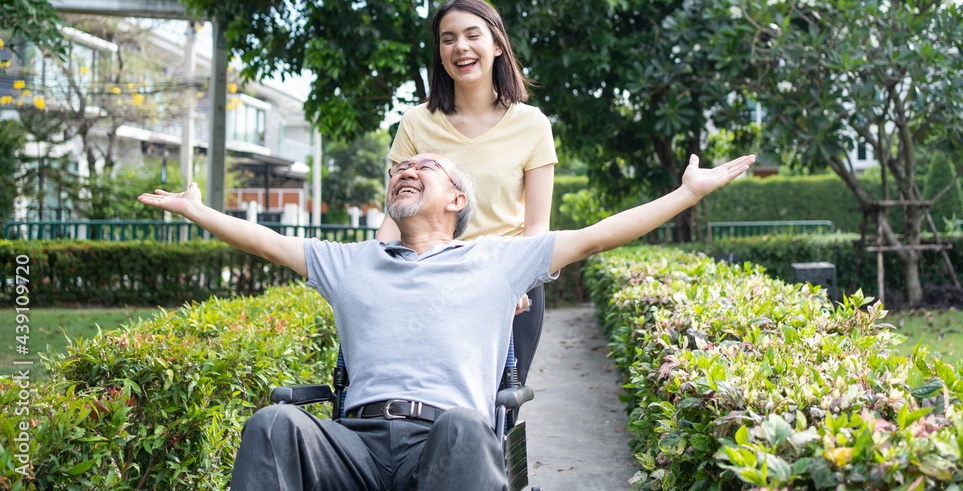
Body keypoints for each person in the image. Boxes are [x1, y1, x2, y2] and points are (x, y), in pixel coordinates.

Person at [137, 150, 755, 491]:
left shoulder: (498, 262)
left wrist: (689, 195)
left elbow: (597, 236)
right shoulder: (351, 262)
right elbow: (265, 240)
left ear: (457, 200)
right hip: (354, 445)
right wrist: (198, 209)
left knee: (464, 428)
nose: (404, 170)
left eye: (422, 167)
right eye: (397, 170)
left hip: (447, 444)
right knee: (275, 425)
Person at [377, 0, 557, 381]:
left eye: (472, 35)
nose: (460, 47)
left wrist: (517, 284)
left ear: (496, 45)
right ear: (440, 54)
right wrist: (373, 269)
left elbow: (537, 227)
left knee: (498, 412)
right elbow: (394, 217)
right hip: (428, 282)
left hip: (510, 283)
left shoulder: (533, 124)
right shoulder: (415, 122)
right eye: (447, 38)